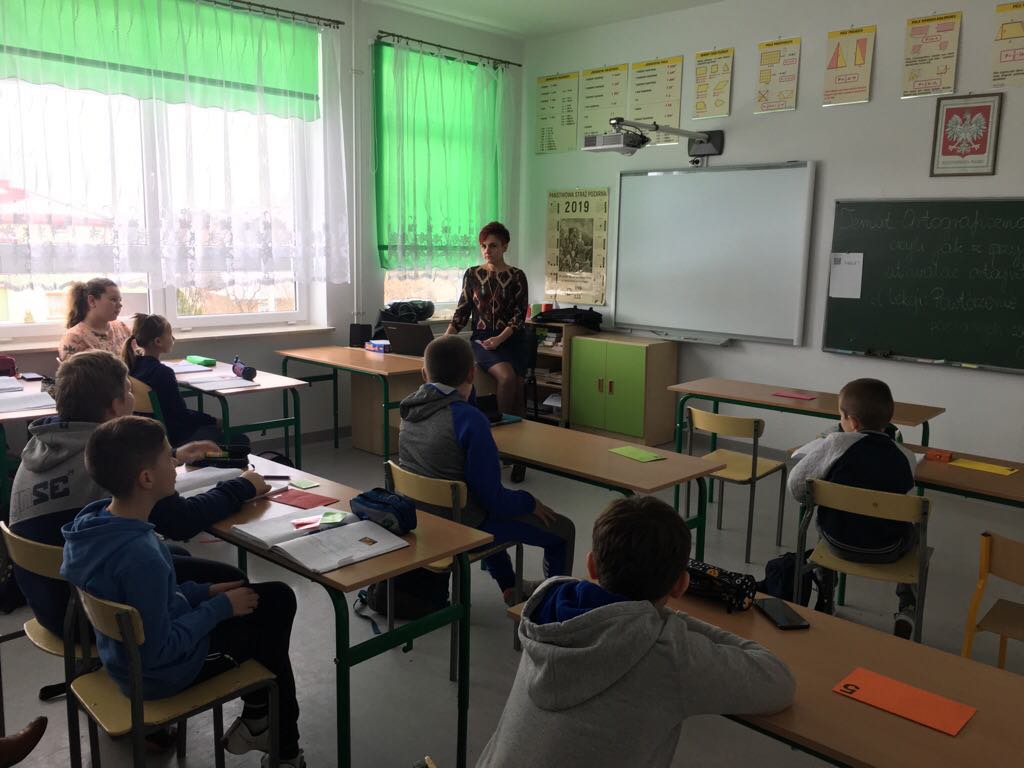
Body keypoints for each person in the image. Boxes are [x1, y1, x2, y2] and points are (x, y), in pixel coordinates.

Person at [476, 496, 795, 768]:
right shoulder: (668, 653)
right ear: (681, 586)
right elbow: (778, 681)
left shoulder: (548, 604)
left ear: (592, 566)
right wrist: (667, 621)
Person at [61, 416, 304, 767]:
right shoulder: (141, 555)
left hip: (124, 660)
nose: (175, 462)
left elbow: (151, 603)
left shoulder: (96, 527)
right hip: (161, 675)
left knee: (273, 598)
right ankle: (282, 745)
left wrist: (202, 593)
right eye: (167, 457)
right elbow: (161, 649)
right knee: (271, 618)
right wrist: (219, 608)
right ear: (146, 479)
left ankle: (262, 721)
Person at [9, 349, 266, 640]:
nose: (133, 399)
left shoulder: (40, 447)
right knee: (232, 581)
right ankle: (210, 658)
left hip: (49, 603)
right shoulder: (109, 454)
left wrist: (170, 456)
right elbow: (181, 521)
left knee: (174, 555)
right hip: (95, 616)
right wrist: (242, 486)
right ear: (115, 407)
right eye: (129, 391)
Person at [399, 335, 575, 606]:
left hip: (421, 520)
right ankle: (553, 605)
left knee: (479, 506)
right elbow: (494, 500)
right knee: (563, 530)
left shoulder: (409, 411)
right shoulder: (470, 420)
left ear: (424, 374)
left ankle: (510, 587)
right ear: (472, 374)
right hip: (462, 527)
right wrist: (529, 501)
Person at [788, 378, 918, 637]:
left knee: (827, 519)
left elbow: (796, 487)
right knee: (916, 530)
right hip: (888, 549)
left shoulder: (835, 444)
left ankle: (826, 594)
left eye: (841, 416)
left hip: (836, 543)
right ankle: (907, 607)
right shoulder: (905, 456)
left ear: (853, 422)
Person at [446, 221, 530, 482]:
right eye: (483, 246)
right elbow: (462, 312)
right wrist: (444, 340)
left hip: (512, 340)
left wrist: (500, 338)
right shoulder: (472, 274)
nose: (487, 250)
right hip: (482, 340)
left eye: (493, 245)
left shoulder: (517, 276)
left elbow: (519, 316)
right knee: (507, 377)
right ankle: (498, 445)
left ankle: (519, 456)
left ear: (505, 247)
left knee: (518, 390)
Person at [121, 313, 226, 447]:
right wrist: (213, 420)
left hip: (149, 434)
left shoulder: (131, 366)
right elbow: (182, 415)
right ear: (158, 341)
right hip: (173, 436)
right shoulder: (163, 373)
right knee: (238, 439)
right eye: (170, 335)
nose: (173, 338)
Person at [58, 278, 132, 360]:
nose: (120, 305)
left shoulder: (122, 327)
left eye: (119, 300)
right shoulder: (74, 338)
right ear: (92, 301)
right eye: (113, 299)